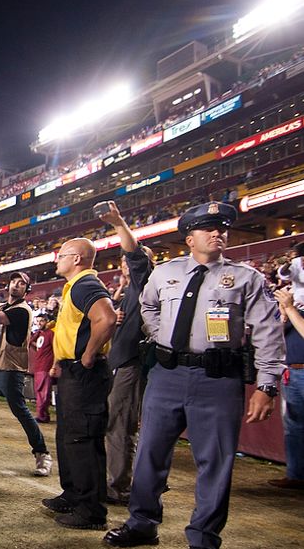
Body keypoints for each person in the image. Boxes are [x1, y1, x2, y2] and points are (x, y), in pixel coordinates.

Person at [105, 202, 285, 549]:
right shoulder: (165, 273)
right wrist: (160, 336)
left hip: (218, 379)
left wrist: (266, 384)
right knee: (149, 453)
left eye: (222, 228)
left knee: (215, 460)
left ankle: (204, 536)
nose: (218, 233)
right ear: (190, 238)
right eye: (209, 229)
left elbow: (267, 331)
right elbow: (148, 306)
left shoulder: (247, 277)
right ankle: (142, 523)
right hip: (167, 373)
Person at [42, 237, 116, 530]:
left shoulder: (85, 284)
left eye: (61, 255)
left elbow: (107, 319)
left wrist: (86, 355)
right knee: (69, 437)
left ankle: (90, 510)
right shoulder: (75, 286)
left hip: (86, 374)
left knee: (82, 439)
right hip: (73, 373)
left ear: (77, 258)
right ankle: (74, 494)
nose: (56, 260)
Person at [97, 200, 156, 506]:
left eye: (129, 260)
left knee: (120, 425)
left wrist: (118, 222)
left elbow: (135, 255)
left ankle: (119, 486)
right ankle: (114, 481)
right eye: (121, 260)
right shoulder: (131, 291)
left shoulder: (144, 278)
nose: (124, 262)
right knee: (114, 423)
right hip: (119, 362)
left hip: (132, 363)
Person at [0, 270, 53, 477]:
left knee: (19, 409)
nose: (15, 285)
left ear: (27, 290)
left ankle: (42, 453)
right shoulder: (5, 306)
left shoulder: (22, 310)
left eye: (21, 283)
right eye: (13, 282)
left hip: (11, 367)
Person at [270, 288, 304, 489]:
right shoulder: (296, 308)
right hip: (292, 370)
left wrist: (290, 309)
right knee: (294, 426)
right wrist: (283, 315)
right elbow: (276, 339)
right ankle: (296, 474)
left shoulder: (295, 309)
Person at [29, 313, 54, 423]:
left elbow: (55, 349)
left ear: (47, 321)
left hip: (46, 366)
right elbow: (31, 342)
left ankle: (42, 415)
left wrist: (54, 365)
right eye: (37, 321)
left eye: (42, 321)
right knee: (38, 391)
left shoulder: (51, 334)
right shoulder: (39, 334)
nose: (39, 323)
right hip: (38, 366)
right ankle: (42, 415)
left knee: (44, 392)